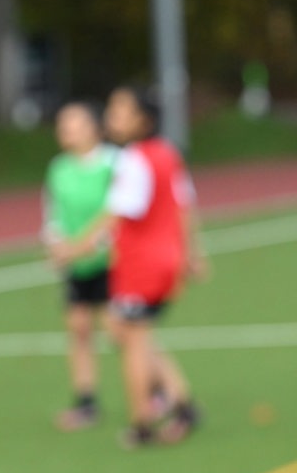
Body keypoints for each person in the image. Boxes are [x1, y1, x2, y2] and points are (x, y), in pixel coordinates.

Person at [58, 86, 204, 447]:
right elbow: (184, 203)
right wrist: (190, 253)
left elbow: (116, 214)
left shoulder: (134, 159)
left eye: (121, 111)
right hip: (164, 260)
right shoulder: (167, 153)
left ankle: (143, 422)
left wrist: (76, 248)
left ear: (144, 120)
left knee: (132, 338)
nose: (112, 118)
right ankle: (181, 404)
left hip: (142, 266)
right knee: (128, 330)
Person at [42, 101, 118, 430]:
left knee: (122, 332)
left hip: (113, 262)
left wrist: (84, 246)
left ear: (93, 127)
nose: (66, 131)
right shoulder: (59, 169)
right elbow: (53, 214)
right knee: (79, 329)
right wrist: (57, 245)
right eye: (63, 125)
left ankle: (161, 391)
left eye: (73, 124)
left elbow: (118, 215)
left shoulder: (114, 163)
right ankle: (86, 402)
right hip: (77, 264)